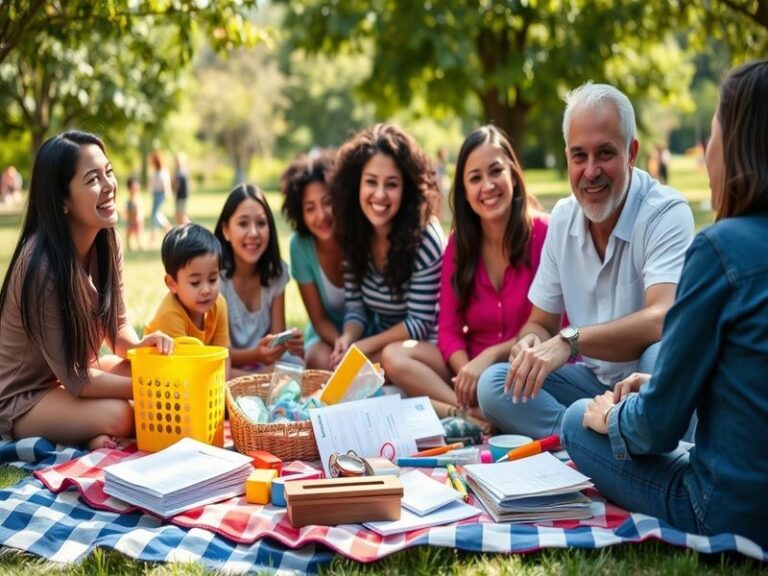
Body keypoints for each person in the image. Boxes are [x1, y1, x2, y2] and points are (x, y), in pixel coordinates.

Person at [561, 60, 768, 548]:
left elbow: (653, 431)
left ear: (735, 149)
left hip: (728, 508)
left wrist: (610, 417)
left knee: (576, 421)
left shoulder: (720, 249)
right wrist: (658, 385)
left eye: (713, 134)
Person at [476, 82, 695, 438]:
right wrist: (530, 344)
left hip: (646, 383)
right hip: (593, 385)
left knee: (659, 357)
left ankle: (597, 438)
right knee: (496, 383)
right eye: (579, 156)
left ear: (632, 152)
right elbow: (540, 323)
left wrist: (569, 340)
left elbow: (662, 319)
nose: (590, 171)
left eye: (604, 153)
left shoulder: (665, 212)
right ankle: (589, 437)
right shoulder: (563, 218)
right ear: (567, 158)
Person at [0, 131, 173, 450]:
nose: (109, 186)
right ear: (62, 199)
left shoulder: (108, 241)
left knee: (151, 370)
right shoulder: (40, 265)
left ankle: (87, 430)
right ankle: (88, 428)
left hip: (75, 375)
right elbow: (77, 380)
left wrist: (140, 349)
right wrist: (145, 387)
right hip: (25, 398)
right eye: (93, 179)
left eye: (109, 172)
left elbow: (116, 327)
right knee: (123, 413)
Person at [382, 125, 548, 410]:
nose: (487, 185)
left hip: (530, 365)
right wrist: (467, 371)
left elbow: (554, 327)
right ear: (465, 191)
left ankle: (474, 408)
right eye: (475, 178)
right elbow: (448, 329)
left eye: (496, 171)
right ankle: (468, 413)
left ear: (513, 175)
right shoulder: (459, 244)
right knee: (394, 355)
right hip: (470, 363)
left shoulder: (546, 233)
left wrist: (489, 359)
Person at [329, 123, 444, 367]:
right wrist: (348, 337)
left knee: (373, 366)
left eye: (391, 184)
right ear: (356, 184)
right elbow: (356, 308)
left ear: (407, 189)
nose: (380, 195)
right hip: (379, 345)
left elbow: (419, 323)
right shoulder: (352, 233)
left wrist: (364, 346)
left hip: (424, 348)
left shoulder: (426, 238)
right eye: (371, 182)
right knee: (324, 359)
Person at [214, 183, 304, 371]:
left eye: (261, 223)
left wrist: (286, 342)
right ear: (226, 230)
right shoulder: (216, 279)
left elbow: (276, 336)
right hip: (227, 367)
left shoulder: (276, 273)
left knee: (297, 365)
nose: (254, 233)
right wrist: (256, 355)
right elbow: (214, 352)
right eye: (243, 223)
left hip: (264, 366)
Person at [280, 149, 344, 370]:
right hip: (327, 339)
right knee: (321, 360)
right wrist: (342, 347)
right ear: (300, 213)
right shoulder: (300, 246)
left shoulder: (357, 235)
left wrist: (357, 347)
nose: (321, 215)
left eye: (327, 202)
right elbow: (319, 320)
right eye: (310, 208)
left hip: (369, 337)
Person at [145, 223, 228, 348]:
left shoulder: (219, 304)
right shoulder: (169, 315)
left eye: (212, 279)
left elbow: (223, 355)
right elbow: (186, 366)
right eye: (195, 282)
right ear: (172, 284)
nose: (206, 290)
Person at [149, 150, 172, 243]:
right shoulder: (155, 171)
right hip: (155, 194)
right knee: (154, 214)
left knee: (156, 214)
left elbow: (166, 184)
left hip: (161, 194)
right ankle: (154, 234)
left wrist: (168, 193)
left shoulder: (163, 171)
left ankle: (168, 228)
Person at [124, 175, 145, 251]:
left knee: (138, 231)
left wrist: (140, 215)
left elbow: (140, 206)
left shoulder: (138, 195)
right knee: (129, 231)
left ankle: (140, 244)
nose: (136, 186)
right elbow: (128, 206)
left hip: (137, 217)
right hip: (131, 216)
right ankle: (128, 245)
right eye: (134, 185)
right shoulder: (130, 196)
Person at [172, 152, 191, 225]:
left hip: (182, 195)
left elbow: (176, 185)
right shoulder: (178, 171)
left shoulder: (181, 171)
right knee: (178, 215)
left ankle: (191, 228)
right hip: (179, 195)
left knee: (181, 216)